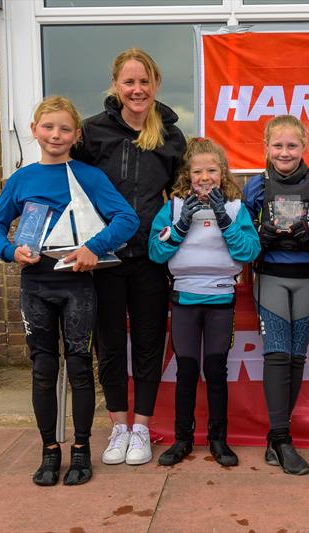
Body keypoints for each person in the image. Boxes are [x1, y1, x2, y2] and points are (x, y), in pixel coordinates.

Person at [0, 96, 139, 486]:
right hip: (35, 285)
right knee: (43, 370)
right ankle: (49, 451)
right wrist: (9, 250)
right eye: (48, 127)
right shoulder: (21, 179)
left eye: (65, 129)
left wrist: (93, 248)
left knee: (81, 367)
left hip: (77, 285)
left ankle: (82, 451)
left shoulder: (88, 175)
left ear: (76, 135)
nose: (56, 134)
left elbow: (127, 218)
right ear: (35, 129)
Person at [71, 48, 187, 467]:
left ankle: (141, 427)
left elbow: (181, 195)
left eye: (144, 82)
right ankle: (118, 424)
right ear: (116, 86)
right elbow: (73, 189)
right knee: (110, 345)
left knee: (149, 344)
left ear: (155, 85)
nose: (137, 89)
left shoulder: (172, 136)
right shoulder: (93, 132)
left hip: (150, 259)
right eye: (129, 82)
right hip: (104, 258)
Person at [148, 137, 261, 467]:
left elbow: (248, 252)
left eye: (212, 169)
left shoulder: (236, 208)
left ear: (222, 172)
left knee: (215, 370)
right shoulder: (173, 207)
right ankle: (182, 439)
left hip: (220, 298)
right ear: (189, 174)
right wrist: (181, 225)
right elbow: (156, 252)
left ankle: (218, 440)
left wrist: (224, 222)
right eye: (198, 171)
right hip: (185, 298)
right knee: (186, 371)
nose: (205, 177)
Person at [242, 115, 309, 475]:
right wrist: (259, 236)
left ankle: (275, 439)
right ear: (266, 147)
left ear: (305, 146)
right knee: (277, 355)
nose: (285, 152)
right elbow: (243, 238)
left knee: (297, 356)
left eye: (292, 146)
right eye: (278, 146)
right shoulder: (255, 186)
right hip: (271, 278)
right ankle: (282, 439)